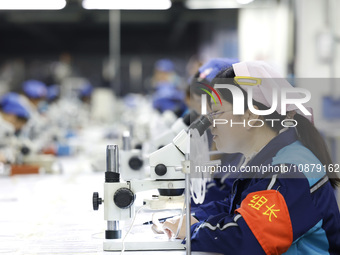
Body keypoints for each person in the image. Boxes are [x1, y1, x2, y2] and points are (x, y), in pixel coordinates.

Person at [162, 61, 340, 254]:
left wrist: (192, 230)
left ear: (250, 115)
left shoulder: (288, 170)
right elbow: (236, 208)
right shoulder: (267, 159)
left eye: (216, 113)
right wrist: (193, 216)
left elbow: (247, 237)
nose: (210, 124)